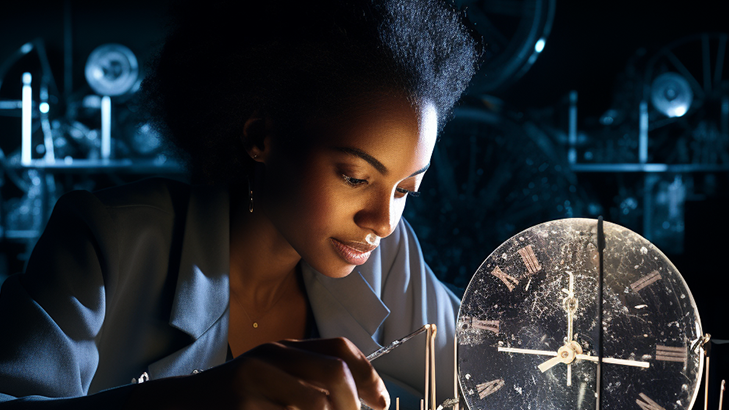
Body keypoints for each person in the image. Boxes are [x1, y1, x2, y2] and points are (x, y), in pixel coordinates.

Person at [0, 0, 480, 408]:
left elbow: (500, 366)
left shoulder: (387, 260)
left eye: (404, 190)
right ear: (260, 136)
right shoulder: (107, 240)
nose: (382, 221)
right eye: (355, 177)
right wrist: (195, 399)